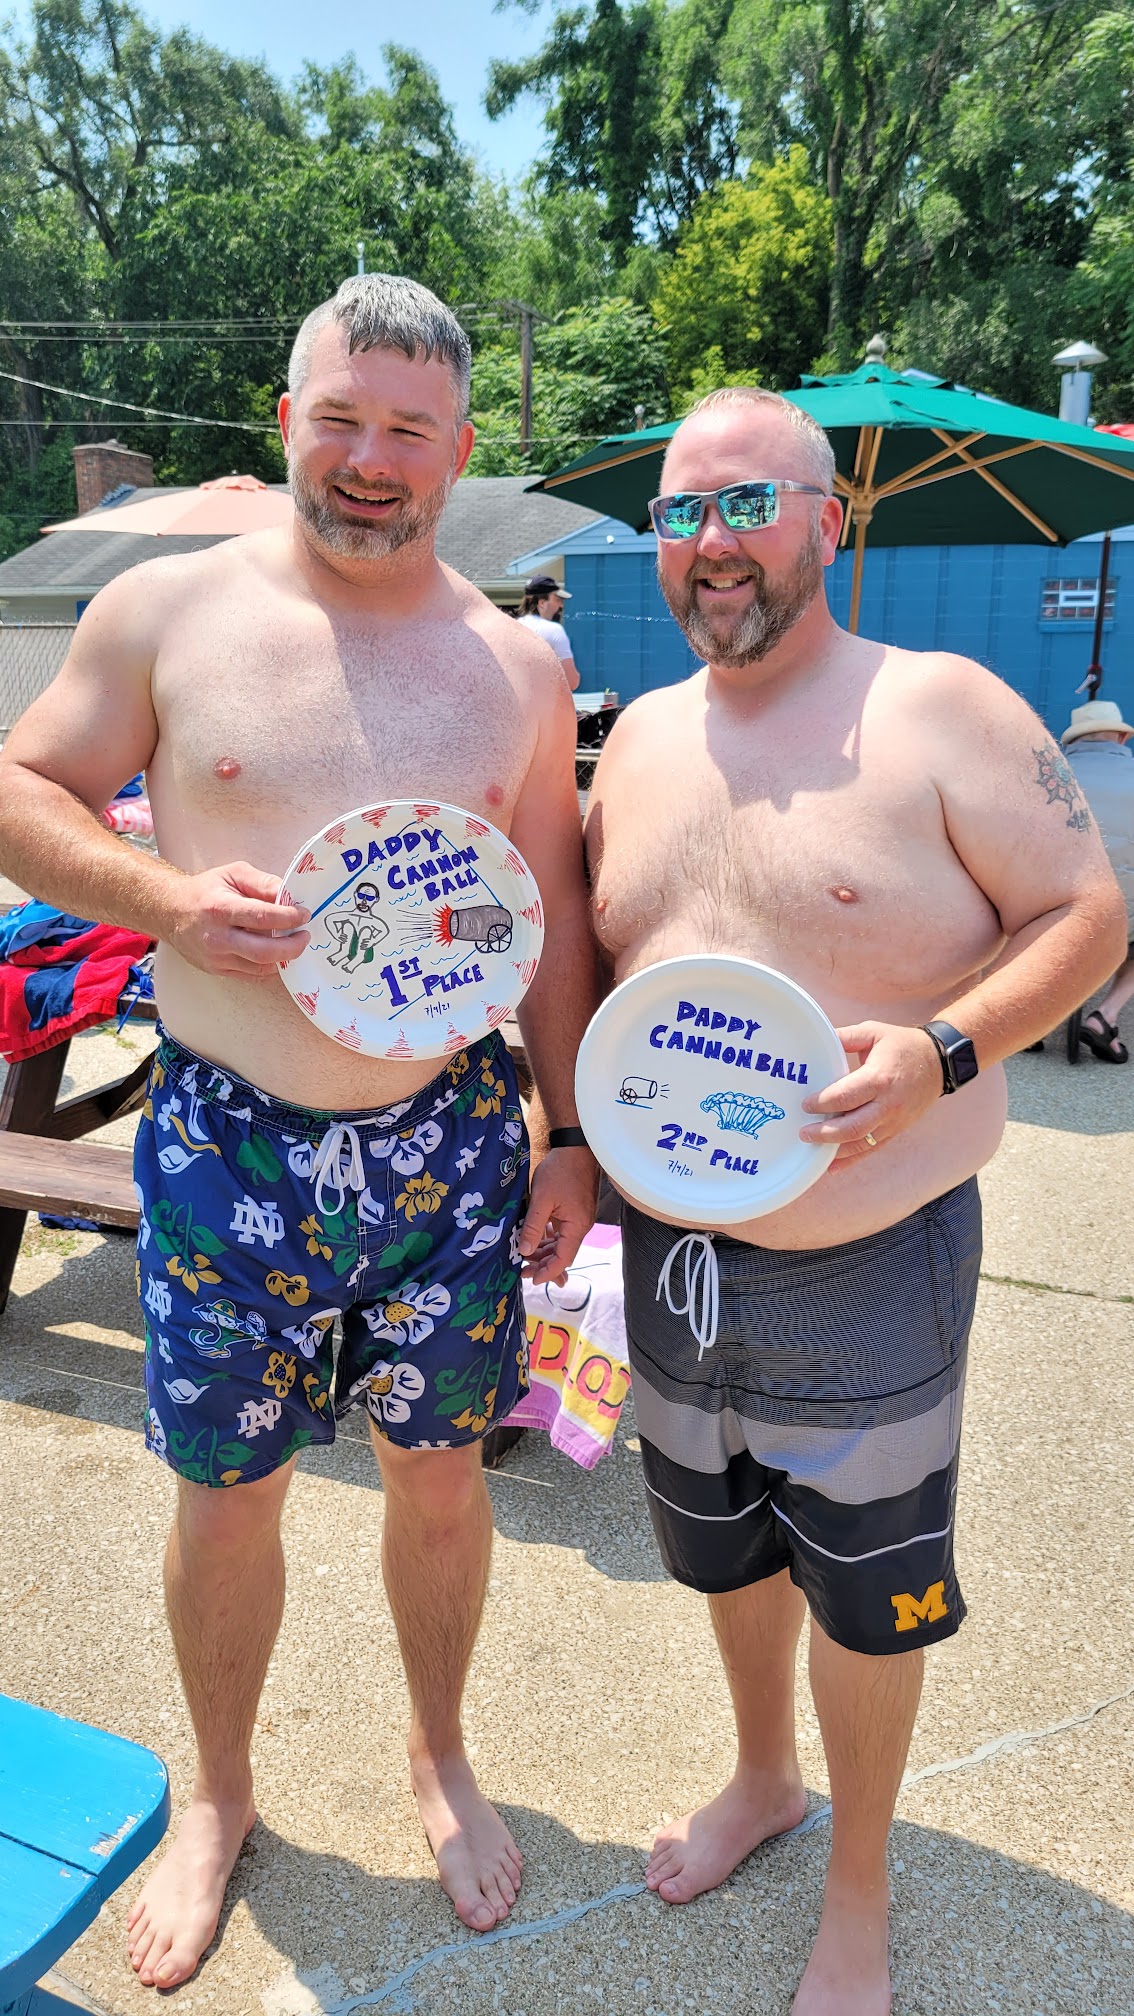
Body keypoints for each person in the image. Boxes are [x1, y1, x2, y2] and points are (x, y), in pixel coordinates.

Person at [0, 273, 598, 1990]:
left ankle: (438, 1754)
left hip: (447, 1148)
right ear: (287, 422)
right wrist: (163, 900)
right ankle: (218, 1792)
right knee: (224, 1495)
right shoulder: (166, 612)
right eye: (339, 418)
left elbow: (551, 909)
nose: (370, 457)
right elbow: (21, 791)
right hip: (227, 1145)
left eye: (409, 429)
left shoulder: (515, 665)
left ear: (458, 452)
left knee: (439, 1479)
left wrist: (567, 1134)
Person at [584, 386, 1126, 2016]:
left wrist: (942, 1050)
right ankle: (762, 1778)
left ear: (828, 524)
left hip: (870, 1257)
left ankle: (858, 1885)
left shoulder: (937, 705)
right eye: (680, 514)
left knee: (868, 1597)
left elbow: (1085, 915)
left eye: (746, 504)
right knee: (724, 1552)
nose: (710, 542)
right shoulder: (637, 740)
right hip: (673, 1257)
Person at [1062, 699, 1134, 1061]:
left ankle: (1033, 1025)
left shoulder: (1046, 779)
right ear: (1122, 738)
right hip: (1123, 916)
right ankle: (1105, 1015)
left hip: (1054, 912)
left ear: (1073, 741)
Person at [517, 572, 581, 690]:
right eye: (557, 600)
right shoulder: (554, 630)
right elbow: (571, 681)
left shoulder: (514, 627)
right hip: (542, 700)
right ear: (542, 603)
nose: (561, 605)